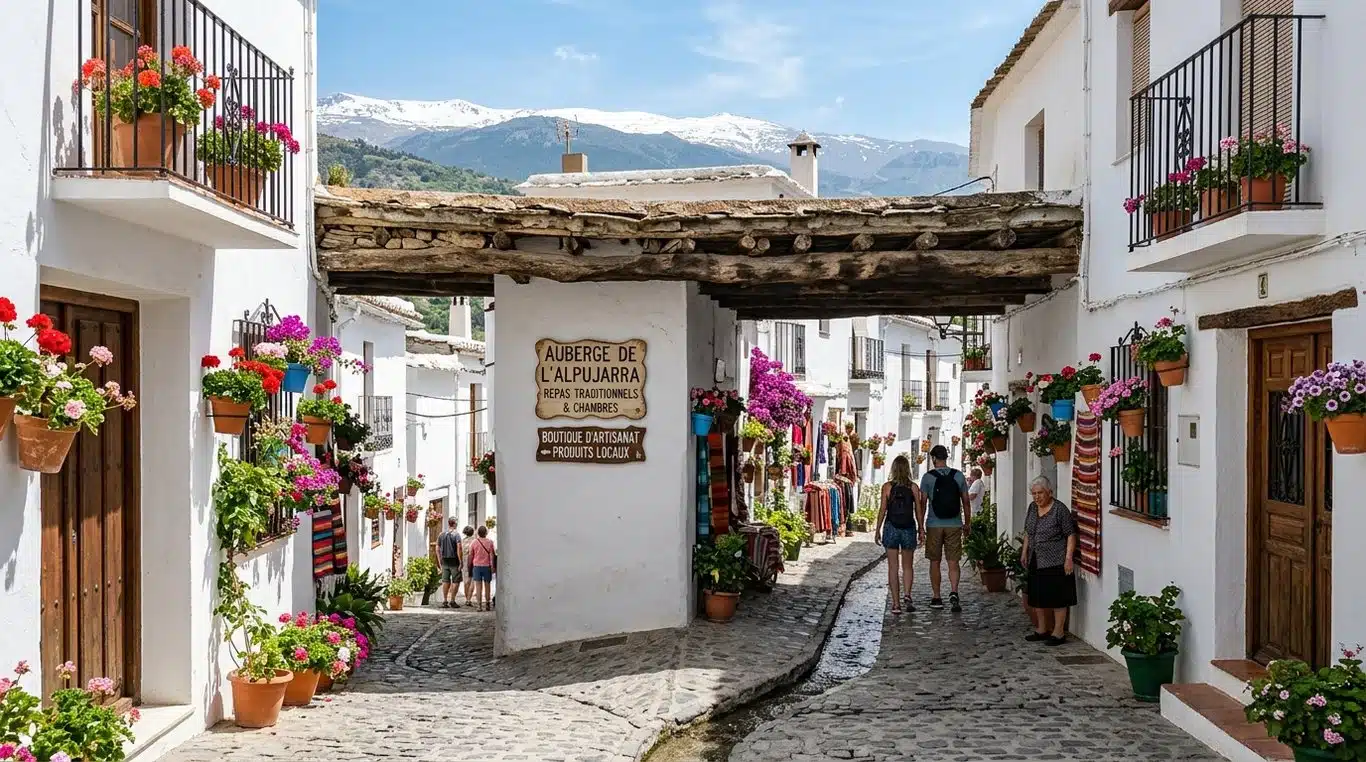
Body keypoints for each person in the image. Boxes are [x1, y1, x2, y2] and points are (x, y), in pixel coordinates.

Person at [1021, 475, 1078, 646]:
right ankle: (1041, 629)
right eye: (1034, 493)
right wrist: (1024, 552)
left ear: (1050, 492)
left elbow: (1070, 534)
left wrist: (1068, 558)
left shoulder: (1059, 509)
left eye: (1040, 493)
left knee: (1057, 597)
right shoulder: (1032, 508)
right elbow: (1028, 532)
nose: (1037, 497)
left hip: (1055, 560)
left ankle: (1058, 632)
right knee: (1037, 595)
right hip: (1035, 557)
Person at [918, 445, 971, 612]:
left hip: (934, 524)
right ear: (946, 457)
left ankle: (936, 597)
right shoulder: (959, 476)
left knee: (935, 561)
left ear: (934, 458)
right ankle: (954, 592)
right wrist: (967, 523)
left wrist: (920, 527)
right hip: (954, 524)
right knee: (953, 562)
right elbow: (966, 501)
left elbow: (922, 503)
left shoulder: (927, 478)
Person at [874, 454, 923, 615]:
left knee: (893, 568)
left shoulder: (887, 487)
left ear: (893, 469)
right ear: (908, 469)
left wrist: (878, 529)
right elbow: (918, 510)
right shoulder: (914, 487)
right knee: (908, 566)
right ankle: (907, 595)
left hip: (891, 527)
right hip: (908, 527)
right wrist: (921, 529)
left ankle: (895, 604)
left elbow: (883, 509)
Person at [468, 525, 497, 612]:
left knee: (478, 586)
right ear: (486, 533)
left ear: (478, 533)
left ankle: (479, 605)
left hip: (476, 566)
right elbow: (492, 555)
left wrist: (469, 565)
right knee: (487, 585)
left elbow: (470, 555)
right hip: (487, 566)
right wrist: (493, 567)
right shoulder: (490, 542)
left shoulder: (474, 542)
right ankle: (487, 603)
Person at [437, 518, 464, 608]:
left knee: (445, 581)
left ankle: (445, 600)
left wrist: (439, 560)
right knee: (456, 581)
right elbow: (459, 548)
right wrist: (461, 561)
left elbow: (437, 548)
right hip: (454, 561)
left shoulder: (441, 534)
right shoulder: (456, 535)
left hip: (444, 560)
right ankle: (452, 600)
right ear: (455, 524)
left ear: (448, 524)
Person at [460, 526, 477, 607]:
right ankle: (469, 599)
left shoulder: (462, 541)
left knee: (466, 581)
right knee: (472, 581)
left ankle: (467, 599)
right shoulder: (475, 541)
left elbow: (460, 552)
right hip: (473, 561)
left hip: (464, 561)